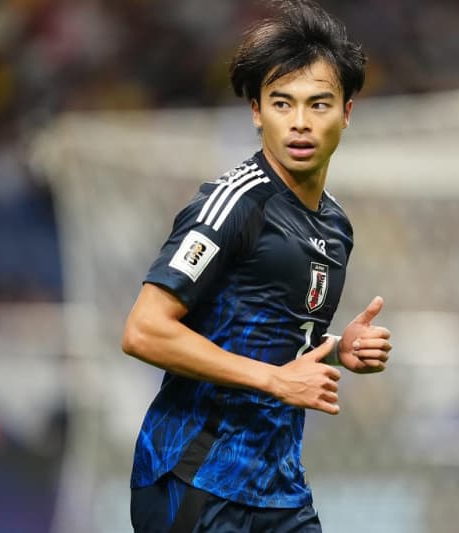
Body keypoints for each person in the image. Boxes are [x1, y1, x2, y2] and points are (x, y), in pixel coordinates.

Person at [121, 1, 392, 531]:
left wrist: (338, 348)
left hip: (277, 488)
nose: (299, 123)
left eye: (318, 105)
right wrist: (275, 381)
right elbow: (144, 330)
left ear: (346, 112)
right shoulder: (232, 205)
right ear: (256, 111)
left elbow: (263, 329)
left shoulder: (335, 224)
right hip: (195, 480)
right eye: (281, 103)